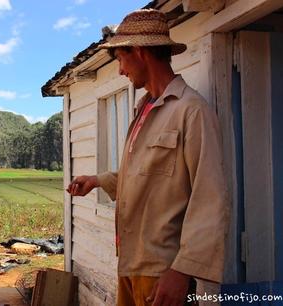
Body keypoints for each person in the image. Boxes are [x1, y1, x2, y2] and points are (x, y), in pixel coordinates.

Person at [67, 9, 228, 306]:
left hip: (164, 272)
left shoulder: (191, 111)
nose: (120, 71)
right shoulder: (143, 110)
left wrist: (182, 270)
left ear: (139, 52)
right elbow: (147, 176)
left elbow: (210, 197)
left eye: (120, 59)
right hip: (131, 264)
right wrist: (98, 180)